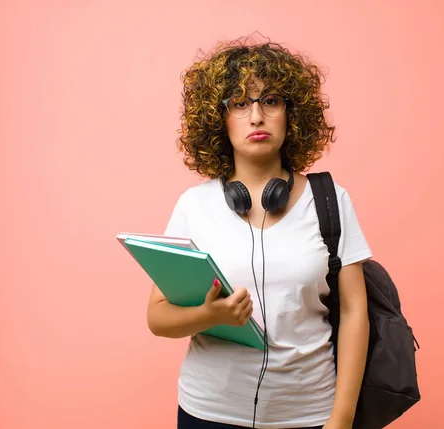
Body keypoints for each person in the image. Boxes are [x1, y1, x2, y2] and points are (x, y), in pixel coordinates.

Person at [146, 36, 372, 429]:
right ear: (219, 119)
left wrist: (342, 418)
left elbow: (355, 311)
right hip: (208, 413)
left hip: (310, 414)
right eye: (239, 103)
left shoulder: (331, 200)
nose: (256, 117)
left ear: (291, 113)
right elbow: (158, 317)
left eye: (270, 101)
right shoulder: (194, 206)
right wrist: (208, 314)